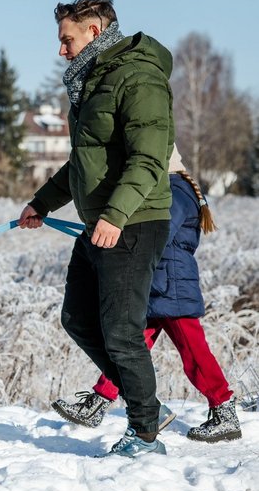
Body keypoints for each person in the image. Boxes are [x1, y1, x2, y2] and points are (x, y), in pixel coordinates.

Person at [17, 0, 175, 457]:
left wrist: (115, 215)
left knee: (122, 332)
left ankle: (145, 434)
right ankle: (146, 405)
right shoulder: (92, 82)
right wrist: (42, 204)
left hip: (133, 222)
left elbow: (150, 159)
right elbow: (84, 164)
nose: (61, 50)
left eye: (67, 40)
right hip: (101, 223)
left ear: (94, 30)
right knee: (78, 318)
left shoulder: (138, 77)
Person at [52, 145, 242, 442]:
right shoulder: (171, 187)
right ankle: (99, 400)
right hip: (156, 283)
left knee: (193, 355)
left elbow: (158, 232)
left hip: (170, 287)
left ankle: (224, 409)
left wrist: (118, 234)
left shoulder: (174, 190)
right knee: (128, 345)